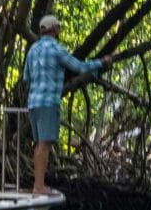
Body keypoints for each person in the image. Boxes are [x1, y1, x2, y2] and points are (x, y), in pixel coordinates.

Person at [22, 14, 103, 195]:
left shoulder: (33, 50)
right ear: (55, 30)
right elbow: (79, 67)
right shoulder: (56, 50)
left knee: (40, 144)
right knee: (44, 144)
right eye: (59, 28)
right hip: (48, 102)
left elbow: (26, 77)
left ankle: (38, 184)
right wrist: (101, 62)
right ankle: (39, 186)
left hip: (33, 103)